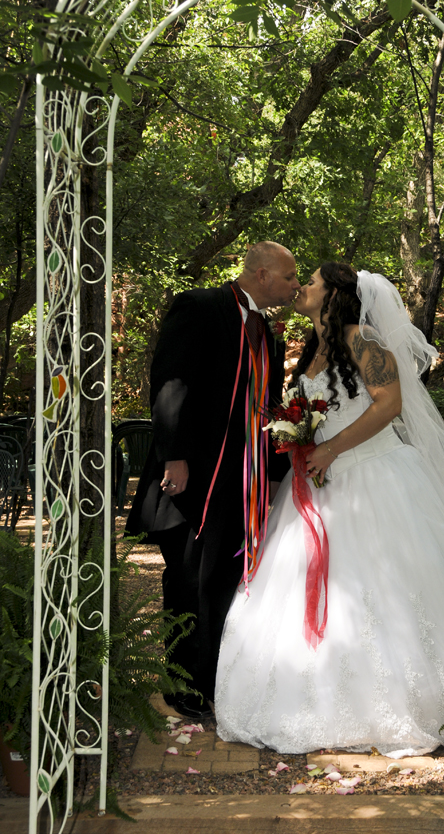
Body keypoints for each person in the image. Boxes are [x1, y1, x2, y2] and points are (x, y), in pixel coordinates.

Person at [215, 262, 444, 757]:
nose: (301, 288)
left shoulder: (365, 342)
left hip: (373, 477)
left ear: (335, 295)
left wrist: (332, 448)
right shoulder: (313, 351)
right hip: (316, 488)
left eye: (310, 282)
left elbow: (389, 404)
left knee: (381, 591)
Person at [127, 242, 300, 719]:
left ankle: (214, 683)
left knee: (224, 580)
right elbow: (169, 383)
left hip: (240, 482)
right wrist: (174, 457)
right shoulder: (199, 306)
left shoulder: (268, 332)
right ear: (261, 274)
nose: (294, 286)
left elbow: (261, 406)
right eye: (289, 277)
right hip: (189, 477)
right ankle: (181, 686)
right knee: (185, 579)